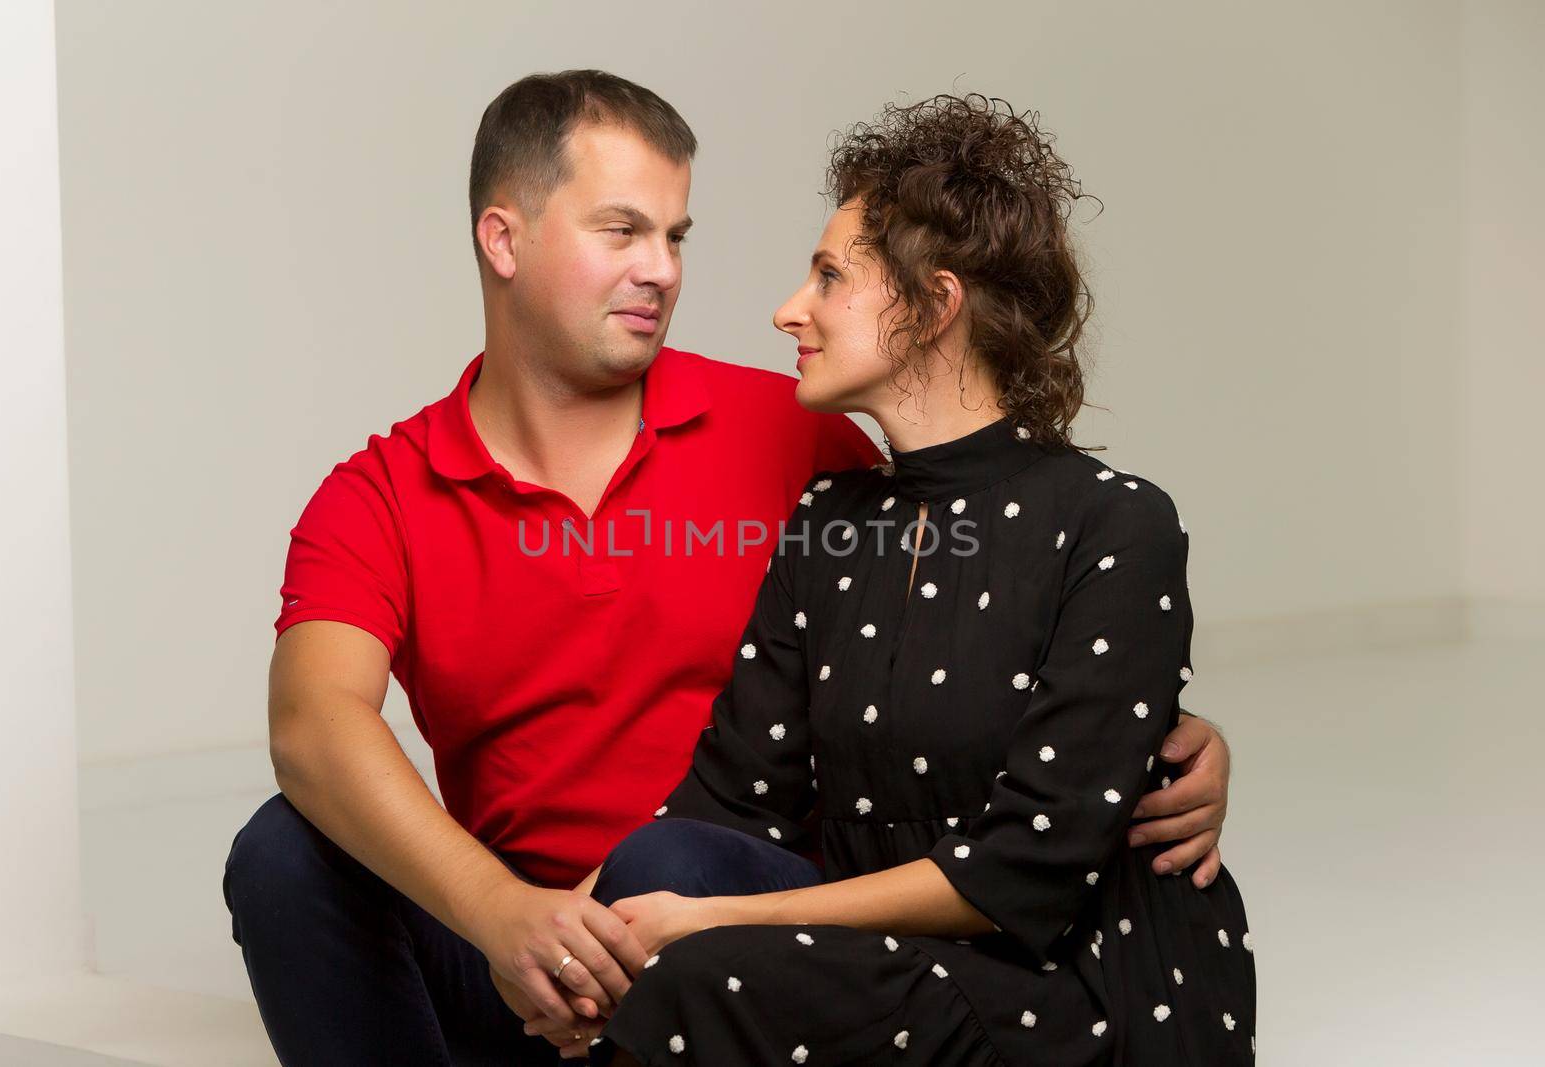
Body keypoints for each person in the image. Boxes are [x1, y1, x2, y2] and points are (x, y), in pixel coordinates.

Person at [221, 72, 1237, 1066]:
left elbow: (983, 589)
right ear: (504, 238)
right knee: (281, 851)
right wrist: (506, 918)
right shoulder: (381, 492)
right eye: (622, 229)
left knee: (673, 865)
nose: (662, 268)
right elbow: (313, 724)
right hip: (523, 945)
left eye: (676, 236)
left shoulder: (795, 437)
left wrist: (1148, 739)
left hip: (731, 924)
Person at [560, 95, 1256, 1066]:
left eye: (829, 276)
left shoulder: (1115, 522)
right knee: (651, 876)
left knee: (706, 969)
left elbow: (1022, 872)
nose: (786, 309)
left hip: (1069, 987)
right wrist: (560, 934)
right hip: (875, 962)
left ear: (933, 304)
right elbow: (727, 802)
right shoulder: (831, 523)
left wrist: (702, 923)